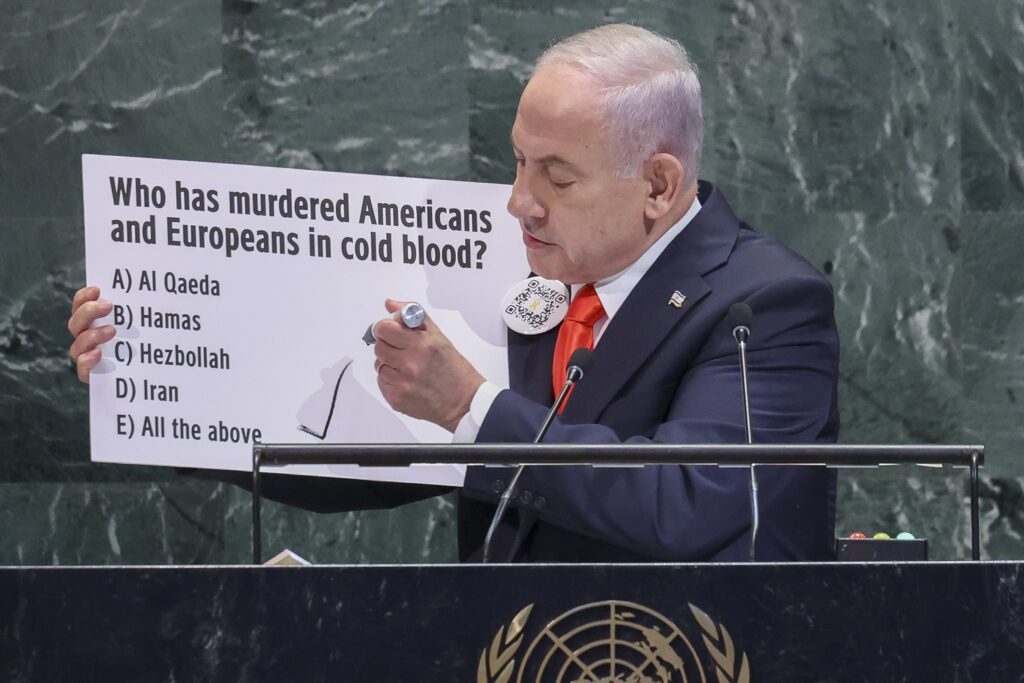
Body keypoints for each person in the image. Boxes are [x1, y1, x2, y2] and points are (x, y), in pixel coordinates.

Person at [69, 24, 839, 563]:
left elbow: (687, 500)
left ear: (659, 184)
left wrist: (470, 406)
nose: (519, 202)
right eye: (517, 162)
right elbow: (376, 470)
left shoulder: (765, 303)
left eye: (556, 175)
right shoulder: (525, 276)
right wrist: (169, 398)